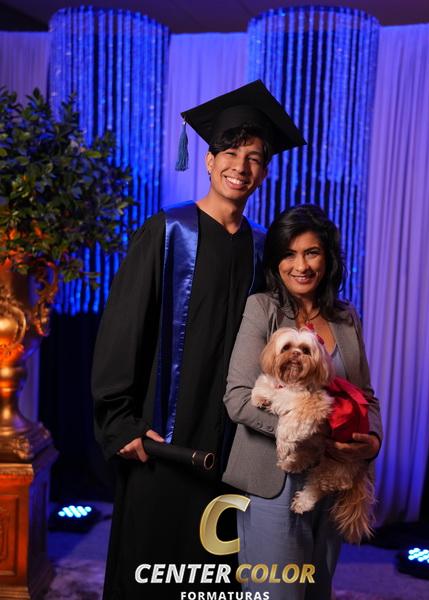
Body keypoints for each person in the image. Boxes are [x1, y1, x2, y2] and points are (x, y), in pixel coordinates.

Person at [91, 80, 305, 599]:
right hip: (162, 435)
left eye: (254, 158)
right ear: (208, 161)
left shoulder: (263, 250)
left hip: (233, 444)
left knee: (212, 576)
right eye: (230, 153)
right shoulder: (167, 232)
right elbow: (122, 330)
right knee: (151, 568)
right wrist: (121, 423)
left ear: (265, 172)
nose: (241, 166)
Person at [223, 204, 383, 600]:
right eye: (289, 254)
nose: (301, 266)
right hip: (272, 478)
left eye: (312, 252)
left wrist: (373, 442)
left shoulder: (346, 317)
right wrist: (303, 430)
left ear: (327, 259)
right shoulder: (262, 308)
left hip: (331, 479)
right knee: (276, 592)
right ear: (276, 261)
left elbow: (366, 396)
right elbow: (238, 399)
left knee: (317, 591)